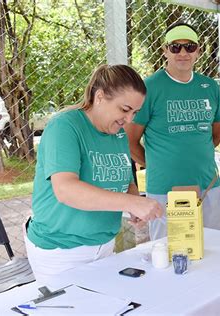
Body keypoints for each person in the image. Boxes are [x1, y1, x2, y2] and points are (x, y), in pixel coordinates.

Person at [25, 64, 163, 283]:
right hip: (60, 250)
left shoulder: (117, 135)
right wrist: (129, 203)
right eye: (124, 109)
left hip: (103, 245)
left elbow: (125, 182)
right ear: (100, 97)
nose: (129, 120)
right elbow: (66, 190)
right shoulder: (65, 127)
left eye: (135, 113)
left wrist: (134, 201)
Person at [125, 22, 220, 241]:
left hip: (208, 185)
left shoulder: (210, 87)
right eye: (175, 47)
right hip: (165, 190)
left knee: (216, 249)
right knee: (171, 254)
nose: (183, 53)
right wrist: (157, 164)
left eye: (190, 47)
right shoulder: (149, 88)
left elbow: (216, 134)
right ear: (165, 50)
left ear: (198, 51)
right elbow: (130, 140)